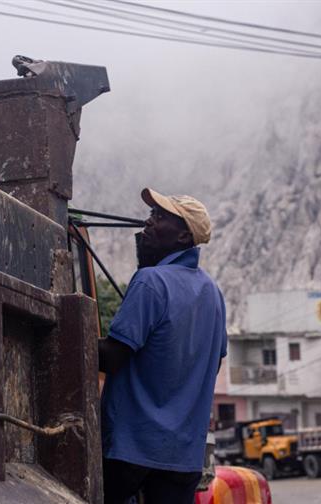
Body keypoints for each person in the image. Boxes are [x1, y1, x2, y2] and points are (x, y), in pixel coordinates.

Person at [98, 188, 227, 504]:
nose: (148, 222)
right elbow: (212, 360)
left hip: (133, 447)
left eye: (159, 217)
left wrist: (64, 331)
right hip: (184, 456)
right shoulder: (213, 293)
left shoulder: (150, 281)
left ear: (184, 237)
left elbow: (114, 358)